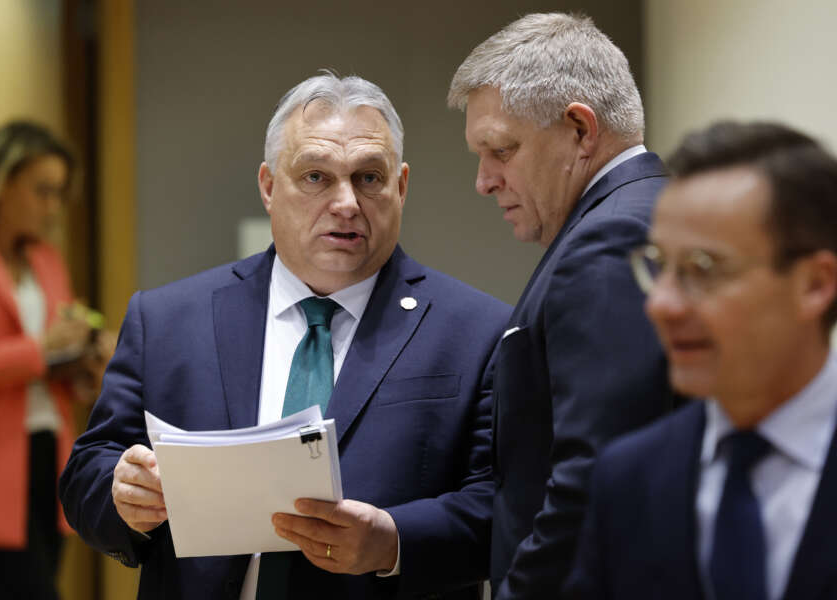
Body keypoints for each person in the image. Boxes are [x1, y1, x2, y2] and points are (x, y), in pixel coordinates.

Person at [59, 73, 510, 600]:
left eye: (368, 177)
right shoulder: (167, 320)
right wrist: (120, 493)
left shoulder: (477, 331)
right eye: (316, 176)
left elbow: (502, 507)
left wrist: (394, 542)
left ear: (401, 187)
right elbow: (87, 473)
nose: (346, 202)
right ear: (269, 186)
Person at [564, 121, 837, 599]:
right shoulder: (629, 476)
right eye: (658, 266)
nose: (661, 304)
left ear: (815, 285)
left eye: (702, 269)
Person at [447, 12, 679, 599]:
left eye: (500, 149)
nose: (484, 181)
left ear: (580, 129)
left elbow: (593, 482)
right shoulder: (653, 215)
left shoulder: (611, 241)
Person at [0, 121, 110, 599]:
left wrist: (84, 358)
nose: (52, 207)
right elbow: (39, 349)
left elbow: (53, 358)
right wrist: (42, 349)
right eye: (42, 191)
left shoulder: (46, 260)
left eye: (58, 193)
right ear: (1, 182)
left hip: (48, 451)